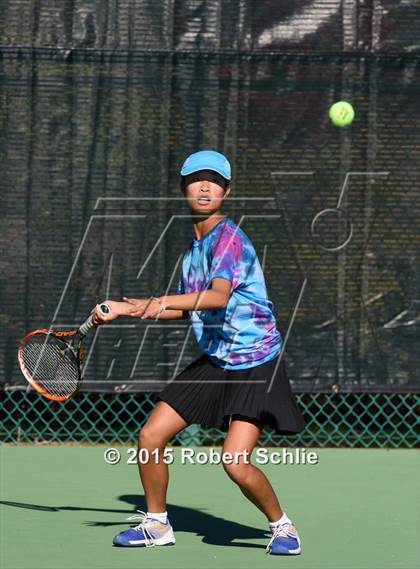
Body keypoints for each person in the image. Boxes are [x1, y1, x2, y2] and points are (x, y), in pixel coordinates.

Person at [91, 150, 305, 555]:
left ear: (227, 190)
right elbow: (187, 310)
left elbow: (217, 298)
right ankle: (157, 525)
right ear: (183, 188)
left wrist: (148, 303)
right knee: (151, 435)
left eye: (214, 181)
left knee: (234, 463)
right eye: (196, 179)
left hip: (256, 363)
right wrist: (126, 310)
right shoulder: (193, 252)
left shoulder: (227, 238)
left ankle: (283, 528)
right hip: (217, 359)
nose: (204, 187)